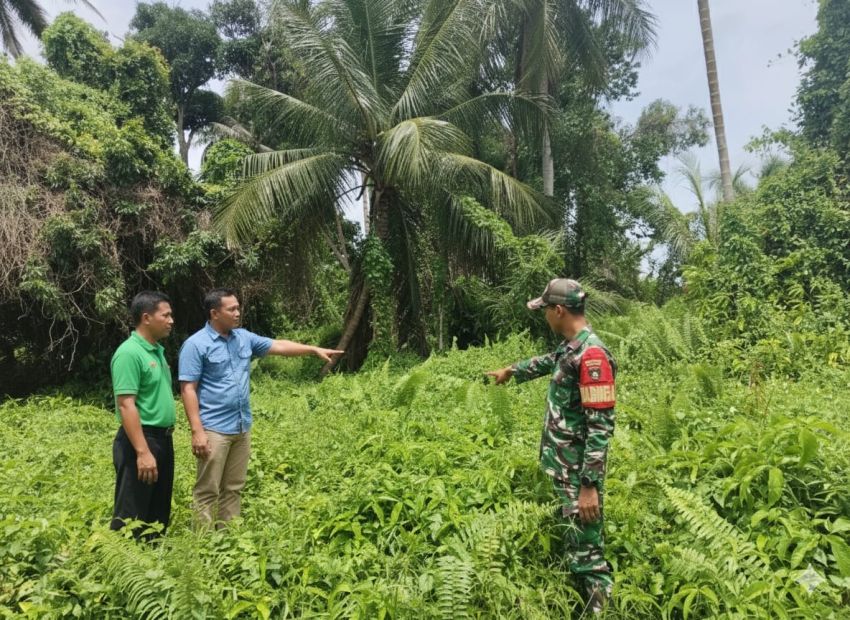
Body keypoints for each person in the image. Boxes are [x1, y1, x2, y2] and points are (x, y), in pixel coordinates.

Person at [486, 278, 617, 614]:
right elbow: (549, 362)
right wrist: (512, 370)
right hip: (566, 467)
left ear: (559, 310)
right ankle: (579, 599)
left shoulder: (593, 358)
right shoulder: (571, 348)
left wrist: (589, 486)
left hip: (579, 472)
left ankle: (600, 608)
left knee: (589, 553)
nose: (544, 315)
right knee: (575, 539)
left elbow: (600, 427)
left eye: (545, 309)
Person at [178, 288, 343, 528]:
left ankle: (228, 539)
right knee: (207, 491)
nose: (237, 312)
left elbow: (280, 346)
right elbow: (188, 389)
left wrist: (312, 349)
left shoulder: (243, 337)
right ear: (214, 313)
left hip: (241, 426)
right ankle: (202, 544)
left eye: (238, 307)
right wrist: (197, 431)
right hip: (213, 429)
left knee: (233, 488)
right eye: (231, 309)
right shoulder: (195, 345)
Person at [110, 290, 176, 540]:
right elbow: (126, 405)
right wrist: (142, 451)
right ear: (146, 317)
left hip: (162, 439)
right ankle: (123, 568)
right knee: (131, 512)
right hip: (141, 440)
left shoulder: (156, 351)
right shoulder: (129, 353)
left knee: (157, 510)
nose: (171, 321)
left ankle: (152, 567)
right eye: (166, 315)